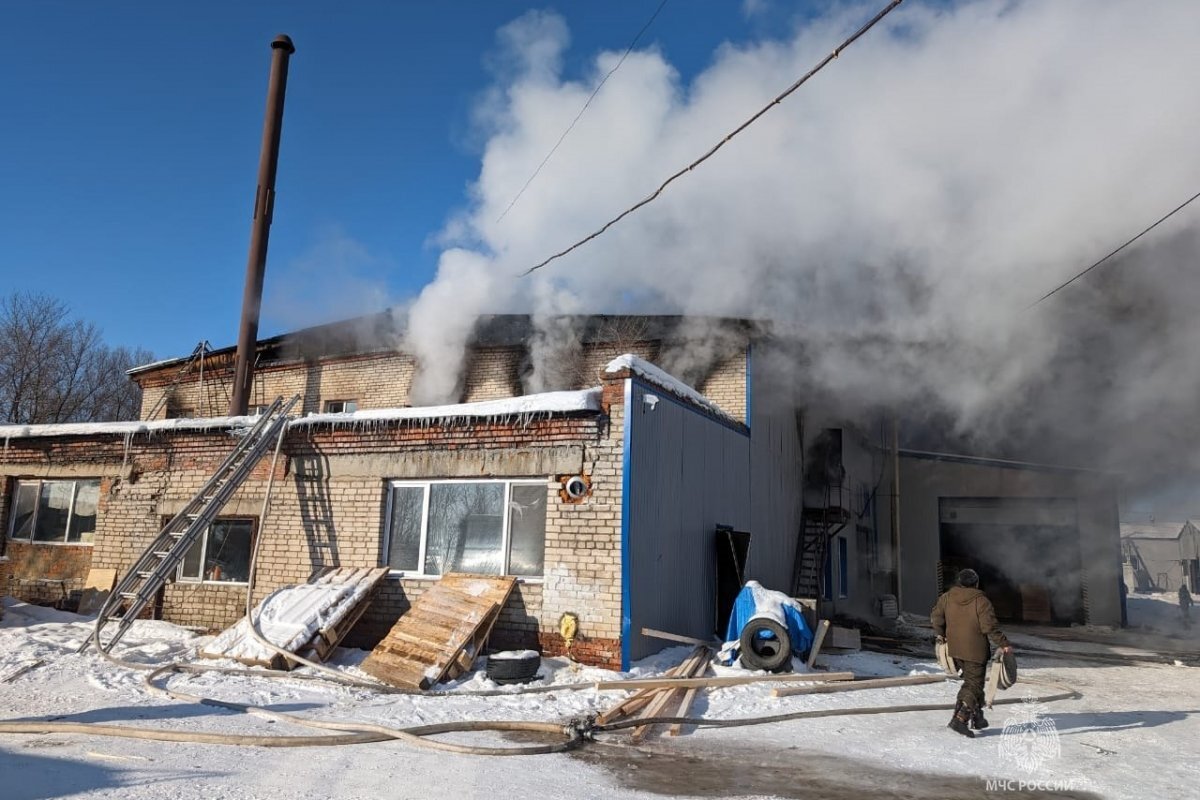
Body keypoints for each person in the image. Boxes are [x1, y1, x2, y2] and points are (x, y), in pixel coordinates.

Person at [931, 568, 1012, 738]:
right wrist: (1004, 644)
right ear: (976, 583)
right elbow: (988, 627)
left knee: (970, 683)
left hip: (955, 649)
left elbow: (936, 618)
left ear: (958, 583)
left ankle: (976, 717)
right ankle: (960, 720)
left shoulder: (946, 598)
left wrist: (941, 634)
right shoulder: (981, 601)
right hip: (975, 650)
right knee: (974, 685)